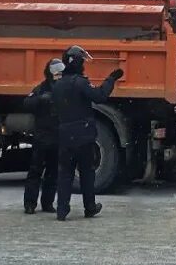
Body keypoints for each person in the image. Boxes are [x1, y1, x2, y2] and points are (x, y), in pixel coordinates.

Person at [52, 45, 124, 221]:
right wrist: (111, 79)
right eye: (82, 61)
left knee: (65, 174)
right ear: (77, 63)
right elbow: (100, 96)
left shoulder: (58, 85)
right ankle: (89, 207)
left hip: (65, 135)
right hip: (83, 135)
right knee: (86, 172)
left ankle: (62, 210)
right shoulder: (80, 83)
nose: (84, 64)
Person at [22, 58, 64, 214]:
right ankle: (30, 203)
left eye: (60, 73)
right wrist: (40, 99)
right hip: (42, 136)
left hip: (57, 136)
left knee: (53, 173)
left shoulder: (63, 89)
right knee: (35, 171)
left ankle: (47, 203)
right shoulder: (42, 88)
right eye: (56, 73)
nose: (58, 76)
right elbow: (27, 103)